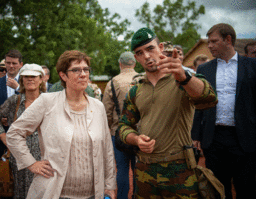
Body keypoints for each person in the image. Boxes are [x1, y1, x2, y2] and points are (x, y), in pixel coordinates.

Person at [118, 28, 218, 198]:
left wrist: (183, 76)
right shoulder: (136, 90)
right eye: (140, 53)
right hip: (144, 172)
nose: (147, 56)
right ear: (136, 58)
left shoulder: (182, 80)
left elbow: (208, 98)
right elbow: (123, 126)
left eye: (150, 49)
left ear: (161, 47)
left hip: (180, 172)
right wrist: (136, 139)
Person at [6, 50, 116, 199]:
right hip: (57, 192)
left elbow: (107, 150)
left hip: (92, 193)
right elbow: (14, 133)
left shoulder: (98, 107)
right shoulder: (47, 102)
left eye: (86, 69)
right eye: (76, 70)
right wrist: (32, 163)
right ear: (63, 75)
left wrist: (110, 186)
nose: (83, 74)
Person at [192, 23, 256, 199]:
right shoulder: (204, 69)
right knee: (218, 188)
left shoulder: (251, 65)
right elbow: (200, 102)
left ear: (228, 40)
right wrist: (196, 134)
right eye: (209, 42)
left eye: (214, 41)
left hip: (245, 138)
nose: (209, 45)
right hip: (214, 138)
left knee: (246, 187)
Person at [0, 64, 45, 199]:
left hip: (43, 158)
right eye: (26, 76)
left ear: (41, 79)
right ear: (22, 80)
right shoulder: (15, 100)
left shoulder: (49, 101)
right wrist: (4, 137)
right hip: (18, 158)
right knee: (19, 193)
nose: (30, 79)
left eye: (34, 76)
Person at [0, 49, 23, 198]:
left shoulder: (27, 82)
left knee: (21, 168)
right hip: (1, 134)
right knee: (0, 167)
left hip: (23, 134)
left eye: (14, 63)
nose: (11, 66)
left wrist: (18, 88)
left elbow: (34, 104)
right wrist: (1, 119)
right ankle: (0, 193)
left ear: (21, 64)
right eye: (8, 62)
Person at [102, 51, 138, 199]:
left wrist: (110, 129)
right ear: (135, 63)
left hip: (118, 133)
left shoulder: (112, 82)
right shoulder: (142, 79)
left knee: (122, 169)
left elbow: (106, 111)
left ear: (120, 64)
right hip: (140, 132)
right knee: (138, 169)